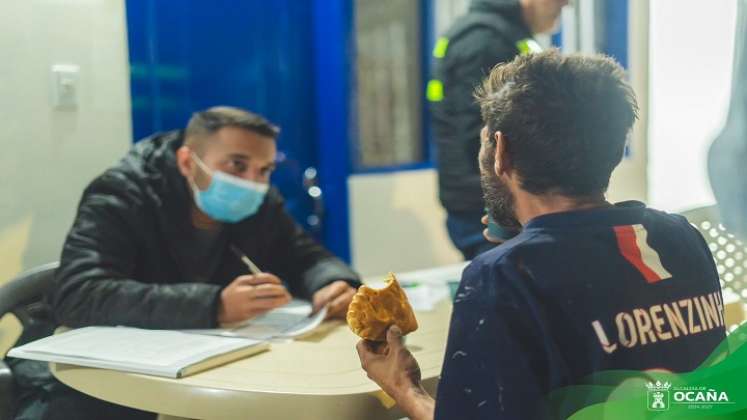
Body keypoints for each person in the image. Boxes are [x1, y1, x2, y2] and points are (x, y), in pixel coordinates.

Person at [358, 51, 726, 420]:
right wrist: (528, 247)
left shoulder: (501, 278)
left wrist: (405, 388)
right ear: (614, 149)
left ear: (500, 151)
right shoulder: (681, 237)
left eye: (485, 141)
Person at [12, 106, 360, 420]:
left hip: (203, 369)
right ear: (186, 162)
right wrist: (213, 305)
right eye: (237, 165)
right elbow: (80, 293)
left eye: (264, 170)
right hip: (85, 381)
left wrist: (331, 283)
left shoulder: (260, 203)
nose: (253, 183)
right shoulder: (122, 193)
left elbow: (306, 257)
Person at [429, 0, 567, 259]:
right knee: (509, 287)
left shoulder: (499, 33)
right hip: (490, 205)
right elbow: (481, 134)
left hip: (498, 199)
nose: (566, 3)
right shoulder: (485, 40)